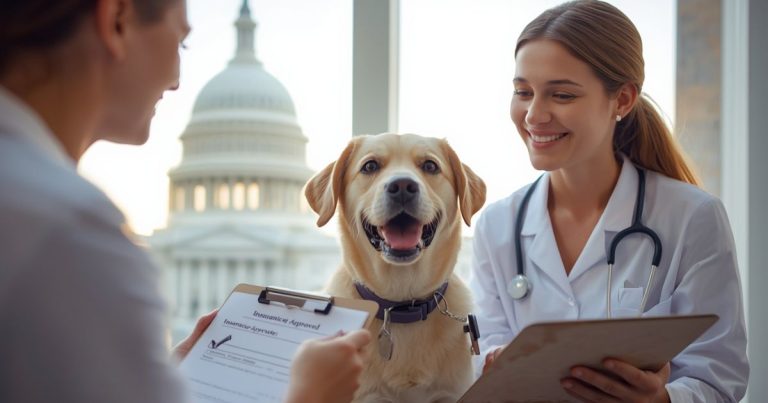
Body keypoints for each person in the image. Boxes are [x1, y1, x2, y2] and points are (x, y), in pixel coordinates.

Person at [0, 1, 370, 403]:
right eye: (182, 42)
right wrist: (309, 395)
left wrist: (157, 379)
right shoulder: (74, 230)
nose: (177, 80)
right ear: (115, 21)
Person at [469, 1, 749, 402]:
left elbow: (720, 378)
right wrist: (491, 366)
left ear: (622, 101)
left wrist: (663, 400)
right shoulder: (497, 225)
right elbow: (483, 358)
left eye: (561, 95)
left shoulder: (692, 218)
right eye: (523, 92)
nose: (534, 115)